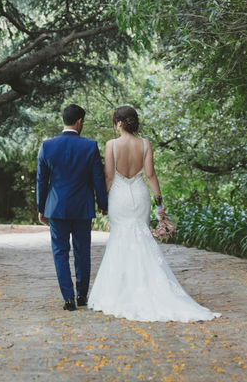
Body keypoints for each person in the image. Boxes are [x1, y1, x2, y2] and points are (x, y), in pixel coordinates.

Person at [87, 105, 219, 322]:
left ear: (119, 123)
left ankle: (119, 291)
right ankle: (147, 286)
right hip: (139, 196)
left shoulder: (111, 145)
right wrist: (159, 205)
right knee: (141, 236)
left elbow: (108, 178)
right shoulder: (146, 144)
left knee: (120, 237)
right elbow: (150, 175)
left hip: (119, 197)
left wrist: (102, 202)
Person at [37, 103, 109, 311]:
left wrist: (41, 208)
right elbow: (97, 178)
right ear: (79, 122)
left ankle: (68, 299)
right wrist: (103, 205)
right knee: (82, 251)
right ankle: (82, 296)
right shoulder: (89, 146)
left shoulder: (47, 146)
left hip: (56, 208)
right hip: (82, 207)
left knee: (60, 252)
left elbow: (42, 181)